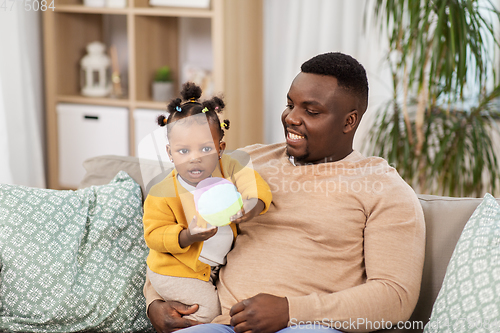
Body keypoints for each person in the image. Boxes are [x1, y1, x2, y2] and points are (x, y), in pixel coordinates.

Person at [144, 52, 426, 333]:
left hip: (309, 327)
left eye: (311, 111)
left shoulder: (383, 188)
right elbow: (174, 229)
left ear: (349, 121)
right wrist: (154, 303)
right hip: (223, 324)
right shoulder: (244, 163)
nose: (292, 118)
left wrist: (292, 311)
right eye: (290, 104)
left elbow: (395, 296)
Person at [142, 82, 273, 324]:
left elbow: (254, 184)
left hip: (210, 270)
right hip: (176, 270)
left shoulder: (229, 166)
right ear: (170, 153)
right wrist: (187, 236)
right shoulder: (162, 192)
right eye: (183, 151)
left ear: (221, 148)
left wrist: (251, 205)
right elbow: (153, 235)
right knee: (210, 313)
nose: (195, 159)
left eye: (205, 148)